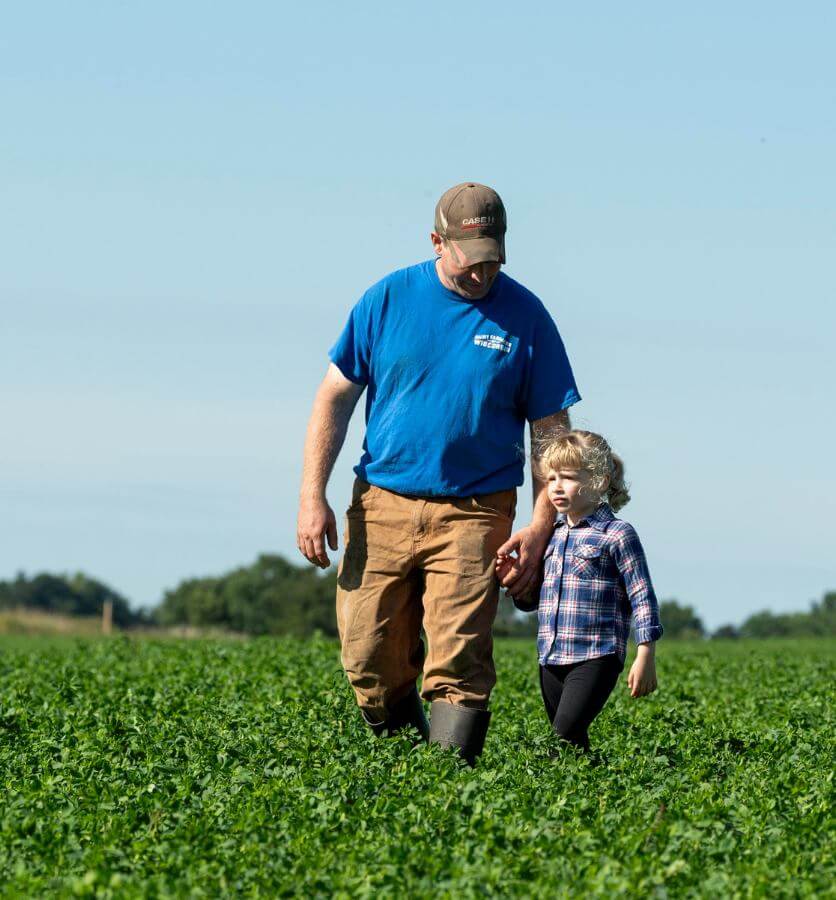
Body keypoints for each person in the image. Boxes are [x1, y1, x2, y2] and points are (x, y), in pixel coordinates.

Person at [297, 182, 581, 765]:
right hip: (381, 503)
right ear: (436, 242)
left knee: (459, 660)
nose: (482, 275)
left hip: (477, 511)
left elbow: (552, 430)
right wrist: (312, 495)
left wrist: (540, 526)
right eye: (470, 261)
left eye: (493, 260)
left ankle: (448, 785)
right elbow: (334, 398)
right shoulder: (386, 300)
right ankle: (406, 775)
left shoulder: (526, 317)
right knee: (367, 658)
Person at [497, 430, 663, 751]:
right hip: (550, 655)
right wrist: (517, 583)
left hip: (596, 655)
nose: (556, 486)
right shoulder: (553, 536)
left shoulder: (617, 534)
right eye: (551, 478)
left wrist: (646, 653)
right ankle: (599, 793)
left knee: (561, 739)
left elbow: (642, 597)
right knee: (572, 745)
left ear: (599, 481)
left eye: (568, 477)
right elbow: (535, 602)